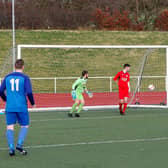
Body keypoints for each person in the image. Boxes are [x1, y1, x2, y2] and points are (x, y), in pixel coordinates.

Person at [0, 59, 35, 156]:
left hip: (10, 106)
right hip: (21, 106)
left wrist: (5, 99)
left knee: (9, 127)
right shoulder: (25, 78)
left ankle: (11, 148)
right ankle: (19, 144)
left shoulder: (7, 77)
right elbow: (29, 92)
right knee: (25, 125)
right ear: (23, 67)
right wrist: (33, 103)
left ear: (15, 67)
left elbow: (0, 91)